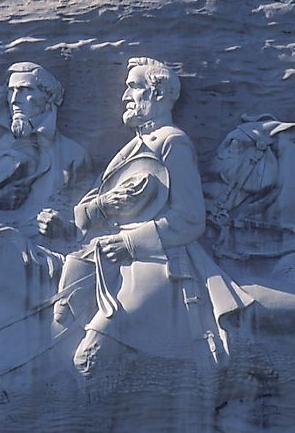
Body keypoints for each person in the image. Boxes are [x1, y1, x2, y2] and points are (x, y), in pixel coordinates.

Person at [39, 57, 253, 377]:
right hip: (106, 258)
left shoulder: (172, 142)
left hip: (159, 264)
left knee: (88, 358)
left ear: (160, 94)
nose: (125, 96)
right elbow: (103, 205)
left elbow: (191, 218)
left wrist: (130, 243)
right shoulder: (132, 147)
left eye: (134, 87)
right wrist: (69, 224)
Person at [0, 62, 89, 214]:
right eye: (11, 91)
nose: (14, 99)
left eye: (24, 89)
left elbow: (84, 213)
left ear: (48, 95)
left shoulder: (73, 155)